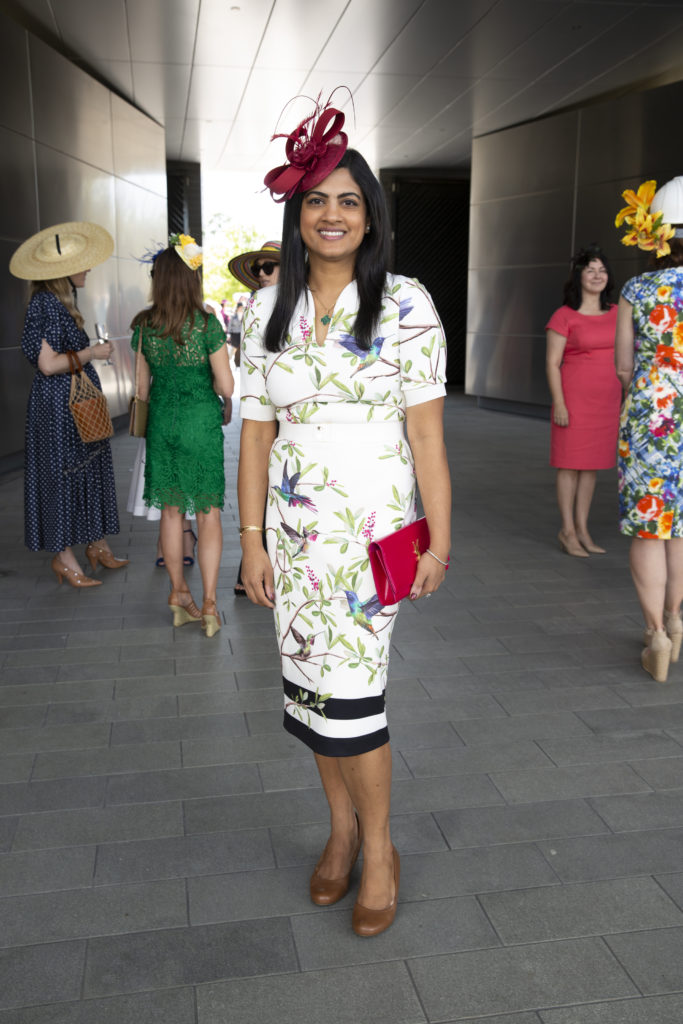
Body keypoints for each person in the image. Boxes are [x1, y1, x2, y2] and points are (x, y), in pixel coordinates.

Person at [237, 95, 451, 937]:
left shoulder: (407, 304)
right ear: (297, 216)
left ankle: (382, 846)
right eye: (316, 199)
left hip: (379, 537)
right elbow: (255, 435)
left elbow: (428, 437)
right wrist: (250, 542)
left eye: (348, 200)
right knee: (310, 695)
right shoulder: (263, 311)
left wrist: (439, 539)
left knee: (356, 695)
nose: (332, 214)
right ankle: (339, 832)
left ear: (370, 218)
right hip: (292, 540)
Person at [10, 220, 128, 587]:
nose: (89, 268)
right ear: (62, 270)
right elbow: (47, 365)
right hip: (57, 409)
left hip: (74, 405)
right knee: (62, 476)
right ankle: (64, 559)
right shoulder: (45, 304)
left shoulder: (61, 302)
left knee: (88, 470)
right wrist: (91, 352)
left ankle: (97, 545)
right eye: (83, 262)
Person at [130, 233, 234, 636]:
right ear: (192, 279)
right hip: (200, 425)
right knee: (207, 514)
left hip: (162, 426)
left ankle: (178, 593)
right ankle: (209, 604)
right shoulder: (207, 325)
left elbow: (141, 391)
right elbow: (225, 387)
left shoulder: (143, 325)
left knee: (171, 513)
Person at [615, 176, 683, 683]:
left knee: (650, 528)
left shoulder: (636, 289)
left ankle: (656, 635)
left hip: (649, 418)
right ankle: (678, 622)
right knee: (681, 527)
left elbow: (622, 363)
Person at [545, 245, 621, 557]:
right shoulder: (564, 316)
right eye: (590, 270)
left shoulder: (618, 313)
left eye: (602, 270)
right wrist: (559, 403)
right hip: (573, 400)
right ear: (579, 277)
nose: (597, 275)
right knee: (569, 466)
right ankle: (567, 530)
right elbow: (552, 363)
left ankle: (583, 529)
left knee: (591, 468)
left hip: (607, 403)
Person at [228, 240, 282, 595]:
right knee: (262, 483)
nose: (261, 274)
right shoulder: (256, 310)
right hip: (267, 416)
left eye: (269, 267)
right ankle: (253, 567)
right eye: (258, 268)